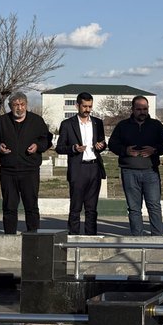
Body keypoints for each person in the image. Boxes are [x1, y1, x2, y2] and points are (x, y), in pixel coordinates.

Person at [0, 92, 52, 234]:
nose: (19, 108)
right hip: (8, 172)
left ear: (26, 105)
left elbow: (46, 140)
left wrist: (37, 146)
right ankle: (9, 235)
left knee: (31, 205)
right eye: (16, 105)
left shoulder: (36, 121)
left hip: (30, 170)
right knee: (9, 206)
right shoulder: (2, 121)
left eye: (22, 104)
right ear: (10, 106)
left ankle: (33, 235)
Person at [108, 95, 163, 236]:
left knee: (154, 206)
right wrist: (125, 151)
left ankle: (157, 237)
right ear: (132, 109)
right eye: (139, 109)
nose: (142, 112)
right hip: (129, 171)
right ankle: (137, 238)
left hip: (151, 171)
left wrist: (154, 150)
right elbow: (112, 144)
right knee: (134, 208)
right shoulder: (122, 126)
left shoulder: (156, 125)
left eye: (145, 109)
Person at [54, 92, 107, 235]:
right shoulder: (67, 124)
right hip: (78, 169)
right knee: (76, 207)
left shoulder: (97, 123)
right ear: (77, 105)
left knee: (92, 208)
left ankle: (91, 237)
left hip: (94, 168)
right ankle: (73, 236)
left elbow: (102, 142)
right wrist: (73, 148)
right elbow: (59, 148)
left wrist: (101, 146)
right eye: (84, 106)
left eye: (90, 106)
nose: (87, 109)